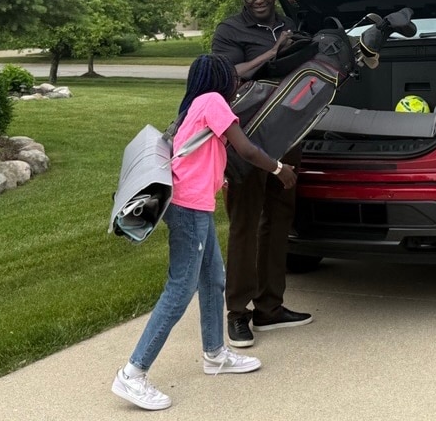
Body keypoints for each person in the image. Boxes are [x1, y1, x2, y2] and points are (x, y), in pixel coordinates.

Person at [112, 54, 297, 411]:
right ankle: (133, 373)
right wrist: (278, 169)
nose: (237, 82)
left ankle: (215, 354)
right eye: (233, 77)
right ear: (221, 81)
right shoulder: (212, 102)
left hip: (193, 205)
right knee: (180, 289)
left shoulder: (197, 103)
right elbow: (245, 148)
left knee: (213, 279)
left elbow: (209, 152)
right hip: (188, 209)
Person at [211, 0, 313, 348]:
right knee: (245, 223)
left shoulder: (290, 24)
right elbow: (230, 74)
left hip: (288, 132)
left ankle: (270, 308)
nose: (257, 1)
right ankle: (238, 313)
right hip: (246, 137)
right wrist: (273, 52)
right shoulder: (229, 31)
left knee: (279, 218)